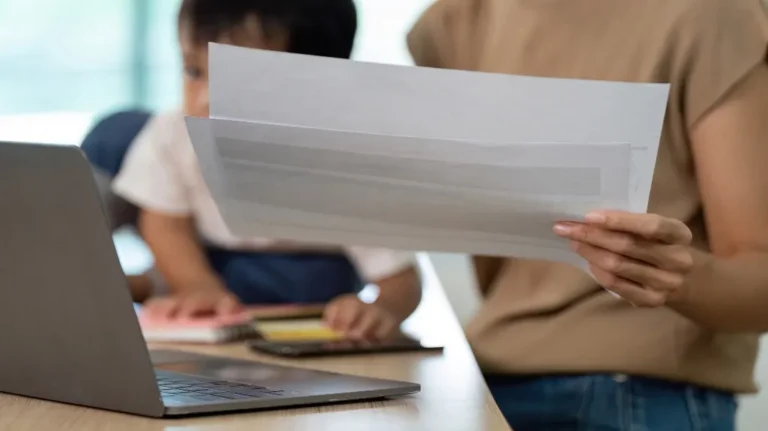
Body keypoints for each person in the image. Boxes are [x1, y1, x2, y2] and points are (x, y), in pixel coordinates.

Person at [408, 0, 768, 430]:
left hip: (638, 388)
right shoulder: (453, 20)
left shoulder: (712, 15)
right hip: (483, 377)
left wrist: (670, 274)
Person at [111, 0, 421, 340]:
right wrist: (197, 286)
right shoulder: (174, 132)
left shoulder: (347, 163)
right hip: (209, 256)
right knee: (115, 133)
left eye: (240, 82)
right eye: (193, 72)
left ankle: (153, 283)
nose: (205, 100)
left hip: (309, 272)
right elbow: (166, 225)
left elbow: (400, 279)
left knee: (313, 279)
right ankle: (152, 282)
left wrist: (382, 309)